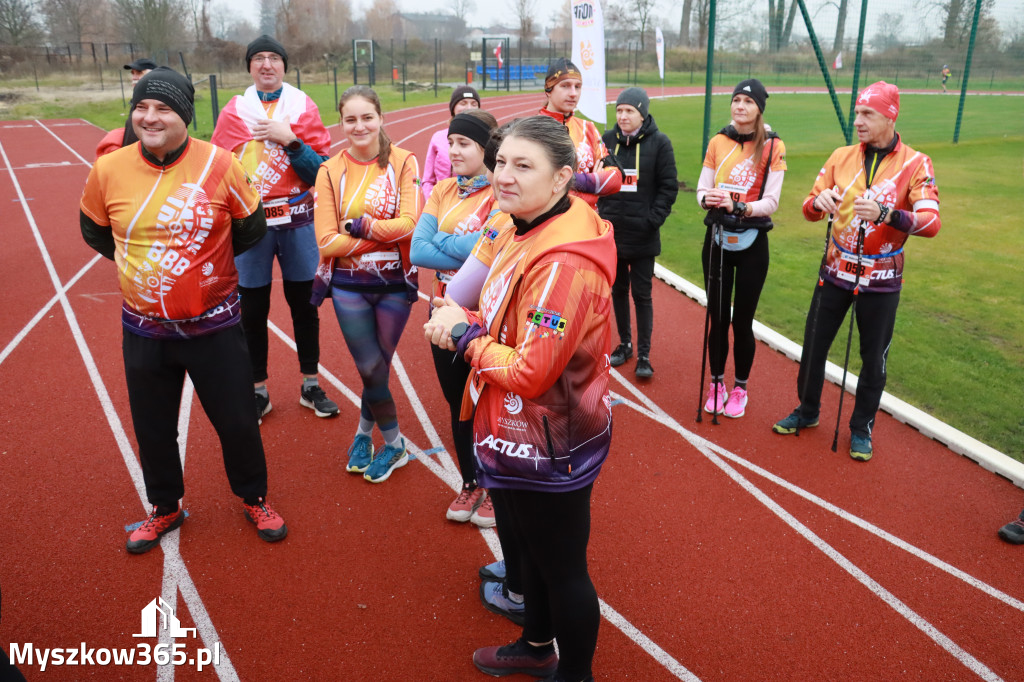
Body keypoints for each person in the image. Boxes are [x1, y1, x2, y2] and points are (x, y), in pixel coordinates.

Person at [425, 115, 613, 682]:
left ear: (560, 179)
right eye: (501, 160)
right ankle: (535, 644)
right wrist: (473, 319)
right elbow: (503, 310)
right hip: (510, 426)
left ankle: (574, 674)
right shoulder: (519, 222)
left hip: (551, 438)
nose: (503, 175)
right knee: (526, 550)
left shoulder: (565, 262)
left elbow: (532, 370)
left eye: (522, 166)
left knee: (561, 568)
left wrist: (464, 334)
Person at [79, 68, 288, 553]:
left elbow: (250, 228)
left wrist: (200, 268)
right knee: (152, 425)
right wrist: (145, 268)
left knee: (237, 419)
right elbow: (94, 231)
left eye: (163, 108)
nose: (149, 118)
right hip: (145, 329)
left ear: (184, 116)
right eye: (141, 108)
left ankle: (254, 497)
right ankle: (165, 505)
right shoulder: (108, 169)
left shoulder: (220, 163)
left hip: (214, 326)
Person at [772, 81, 941, 461]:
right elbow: (808, 209)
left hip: (881, 282)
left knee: (873, 358)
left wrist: (889, 214)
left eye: (868, 114)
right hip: (834, 272)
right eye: (857, 113)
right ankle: (808, 410)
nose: (858, 121)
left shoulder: (916, 163)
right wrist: (819, 201)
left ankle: (861, 428)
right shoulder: (841, 155)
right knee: (814, 345)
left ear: (890, 116)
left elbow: (931, 222)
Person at [211, 34, 339, 425]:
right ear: (249, 67)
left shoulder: (302, 106)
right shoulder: (234, 111)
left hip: (298, 222)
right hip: (253, 227)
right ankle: (257, 391)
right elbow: (217, 172)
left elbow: (322, 172)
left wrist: (292, 141)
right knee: (252, 309)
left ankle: (311, 384)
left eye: (274, 58)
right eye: (258, 59)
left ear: (285, 65)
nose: (267, 64)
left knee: (305, 307)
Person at [313, 85, 421, 484]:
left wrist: (358, 228)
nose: (359, 126)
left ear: (381, 118)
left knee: (377, 367)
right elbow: (326, 241)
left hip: (395, 282)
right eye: (350, 119)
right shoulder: (329, 170)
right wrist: (383, 235)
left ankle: (363, 434)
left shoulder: (404, 161)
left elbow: (410, 224)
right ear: (340, 123)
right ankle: (394, 444)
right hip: (348, 283)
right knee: (370, 365)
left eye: (366, 117)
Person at [410, 109, 499, 526]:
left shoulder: (501, 193)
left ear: (486, 148)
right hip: (440, 313)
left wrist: (444, 241)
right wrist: (467, 244)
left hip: (486, 316)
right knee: (457, 405)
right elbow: (417, 250)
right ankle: (471, 481)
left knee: (492, 404)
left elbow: (495, 249)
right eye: (450, 142)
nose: (453, 150)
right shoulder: (444, 189)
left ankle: (498, 486)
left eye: (463, 143)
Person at [696, 79, 786, 417]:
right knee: (717, 318)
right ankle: (716, 383)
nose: (740, 107)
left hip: (752, 243)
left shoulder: (773, 146)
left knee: (742, 321)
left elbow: (772, 201)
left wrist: (741, 208)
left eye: (747, 102)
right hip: (717, 239)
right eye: (735, 100)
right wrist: (710, 199)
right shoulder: (718, 140)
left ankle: (740, 389)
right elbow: (702, 190)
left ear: (759, 108)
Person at [598, 87, 678, 379]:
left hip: (643, 236)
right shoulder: (606, 141)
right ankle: (625, 344)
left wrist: (652, 219)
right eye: (619, 110)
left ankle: (644, 354)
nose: (622, 116)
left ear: (642, 114)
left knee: (642, 295)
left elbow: (669, 187)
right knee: (618, 291)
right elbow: (597, 180)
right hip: (613, 235)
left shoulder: (660, 144)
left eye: (629, 111)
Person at [538, 57, 621, 207]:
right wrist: (592, 182)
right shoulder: (531, 129)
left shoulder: (588, 128)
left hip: (586, 221)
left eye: (578, 86)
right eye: (565, 86)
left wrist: (568, 180)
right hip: (548, 224)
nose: (573, 93)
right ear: (548, 90)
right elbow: (538, 183)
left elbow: (615, 180)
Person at [421, 86, 481, 200]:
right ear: (453, 108)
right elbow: (428, 180)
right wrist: (431, 201)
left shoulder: (484, 138)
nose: (469, 108)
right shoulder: (438, 138)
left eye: (474, 104)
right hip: (440, 202)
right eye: (463, 103)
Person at [95, 57, 158, 158]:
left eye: (139, 73)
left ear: (153, 74)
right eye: (133, 73)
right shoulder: (138, 100)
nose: (134, 77)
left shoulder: (157, 102)